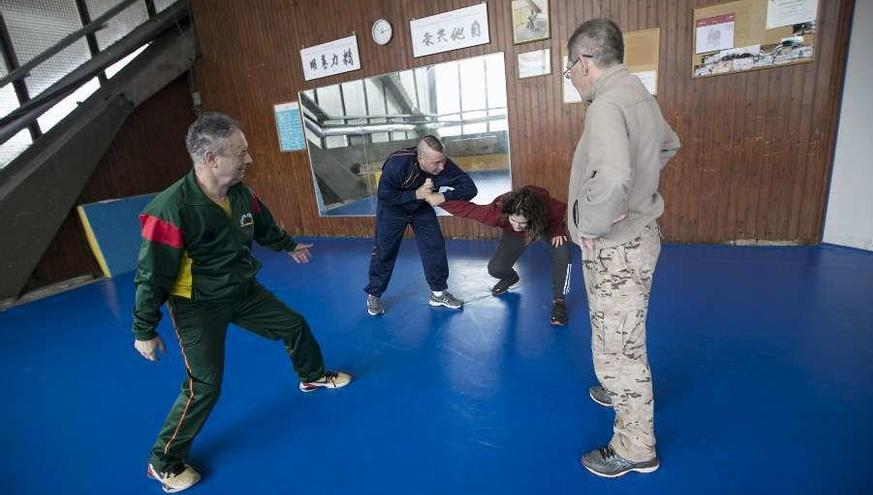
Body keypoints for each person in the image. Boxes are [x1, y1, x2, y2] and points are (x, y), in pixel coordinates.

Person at [131, 112, 352, 493]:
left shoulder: (242, 194)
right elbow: (153, 276)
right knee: (205, 386)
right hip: (197, 305)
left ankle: (312, 376)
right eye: (240, 153)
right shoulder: (169, 210)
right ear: (211, 158)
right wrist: (143, 330)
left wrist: (288, 245)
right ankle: (162, 460)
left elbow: (263, 227)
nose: (248, 160)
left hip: (242, 290)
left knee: (293, 325)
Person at [565, 19, 680, 478]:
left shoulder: (606, 104)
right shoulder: (635, 92)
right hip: (637, 238)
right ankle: (619, 390)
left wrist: (591, 220)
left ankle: (636, 448)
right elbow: (668, 145)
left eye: (569, 68)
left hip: (616, 247)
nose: (571, 77)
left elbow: (612, 178)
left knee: (619, 349)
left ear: (584, 63)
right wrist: (635, 196)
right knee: (621, 332)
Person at [364, 135, 477, 315]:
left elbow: (470, 188)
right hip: (393, 209)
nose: (441, 167)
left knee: (435, 246)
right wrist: (415, 194)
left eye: (443, 160)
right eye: (436, 163)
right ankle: (374, 294)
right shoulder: (397, 163)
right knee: (385, 250)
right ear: (420, 158)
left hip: (421, 209)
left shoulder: (442, 165)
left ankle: (438, 293)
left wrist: (444, 196)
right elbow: (385, 195)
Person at [441, 186, 572, 325]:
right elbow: (467, 210)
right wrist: (439, 201)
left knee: (563, 255)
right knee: (495, 269)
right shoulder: (497, 214)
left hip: (545, 227)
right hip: (516, 237)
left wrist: (557, 229)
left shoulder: (548, 209)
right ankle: (510, 278)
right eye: (513, 220)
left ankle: (559, 302)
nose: (517, 225)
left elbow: (560, 209)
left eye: (522, 223)